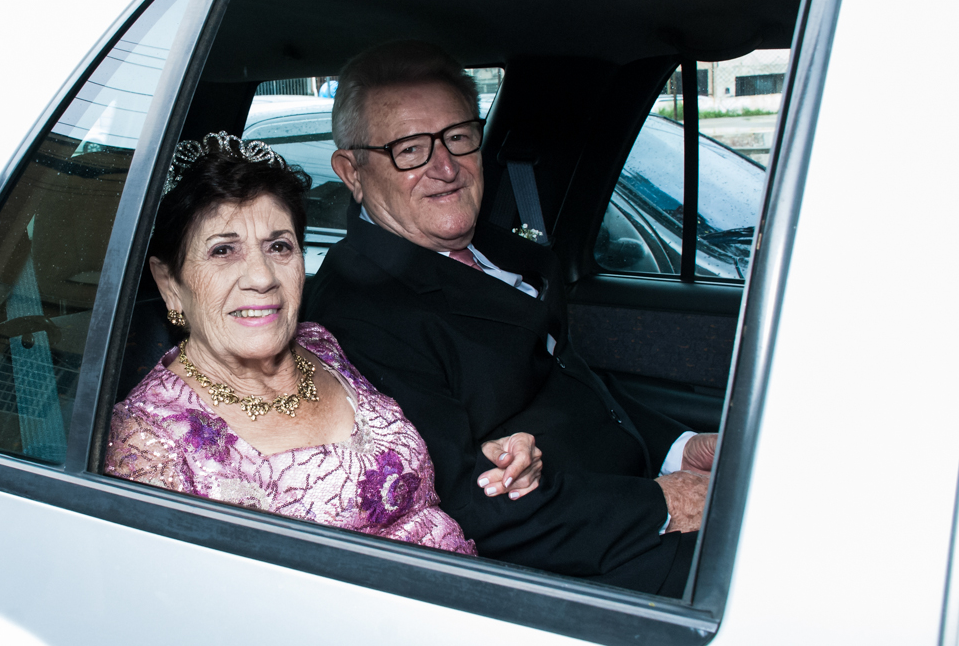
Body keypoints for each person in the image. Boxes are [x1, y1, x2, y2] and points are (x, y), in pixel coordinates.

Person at [304, 41, 715, 596]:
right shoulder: (355, 315)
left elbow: (569, 382)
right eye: (410, 149)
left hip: (622, 494)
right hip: (569, 560)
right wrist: (660, 504)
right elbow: (468, 501)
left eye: (458, 137)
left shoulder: (501, 250)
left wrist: (679, 446)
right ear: (351, 172)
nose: (445, 167)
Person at [104, 132, 475, 555]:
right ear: (170, 282)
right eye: (224, 251)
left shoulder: (323, 344)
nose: (262, 278)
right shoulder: (147, 441)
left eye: (279, 246)